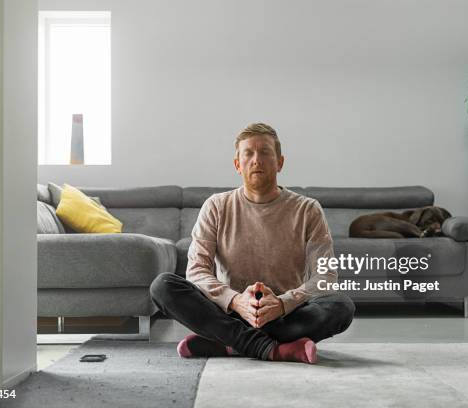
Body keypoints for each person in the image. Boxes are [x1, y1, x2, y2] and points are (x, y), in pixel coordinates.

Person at [150, 123, 355, 364]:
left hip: (284, 315)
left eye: (265, 152)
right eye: (248, 153)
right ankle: (273, 349)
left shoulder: (308, 210)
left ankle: (228, 342)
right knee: (162, 286)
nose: (256, 159)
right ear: (238, 164)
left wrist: (281, 303)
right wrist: (236, 301)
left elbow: (325, 276)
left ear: (279, 162)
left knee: (341, 306)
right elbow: (197, 270)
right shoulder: (216, 206)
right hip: (230, 312)